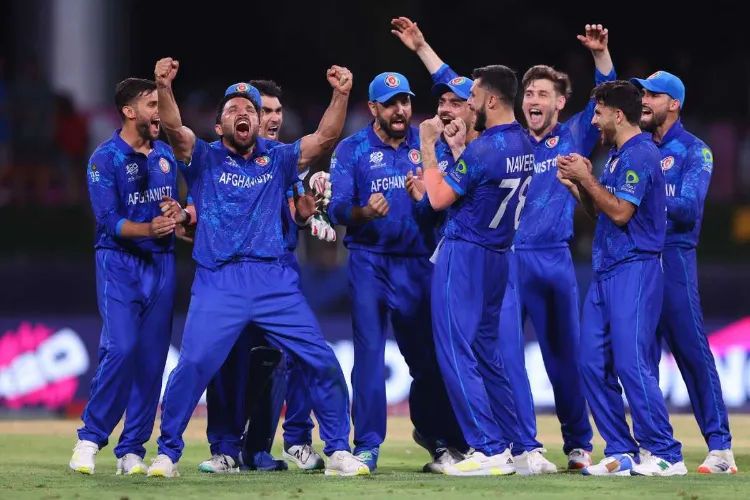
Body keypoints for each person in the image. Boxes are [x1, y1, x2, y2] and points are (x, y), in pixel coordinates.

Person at [146, 57, 368, 478]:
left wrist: (340, 94)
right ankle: (167, 453)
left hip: (274, 281)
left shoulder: (279, 158)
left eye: (250, 108)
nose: (243, 113)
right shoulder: (204, 159)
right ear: (219, 125)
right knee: (193, 366)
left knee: (320, 360)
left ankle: (338, 451)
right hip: (220, 280)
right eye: (232, 109)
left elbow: (325, 138)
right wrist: (163, 86)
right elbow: (174, 129)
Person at [327, 72, 465, 473]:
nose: (400, 109)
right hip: (369, 262)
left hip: (419, 263)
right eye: (390, 103)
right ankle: (368, 445)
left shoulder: (428, 146)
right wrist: (364, 212)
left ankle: (436, 437)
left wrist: (426, 198)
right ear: (373, 108)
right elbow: (336, 208)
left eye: (404, 101)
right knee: (368, 357)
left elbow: (448, 202)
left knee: (426, 360)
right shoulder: (351, 150)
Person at [495, 23, 615, 473]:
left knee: (565, 357)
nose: (533, 101)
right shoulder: (506, 140)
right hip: (507, 259)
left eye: (543, 94)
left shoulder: (574, 135)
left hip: (554, 257)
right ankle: (525, 446)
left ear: (561, 103)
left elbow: (607, 101)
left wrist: (601, 57)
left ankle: (578, 444)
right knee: (507, 355)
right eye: (529, 93)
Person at [195, 79, 328, 474]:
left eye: (275, 111)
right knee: (227, 359)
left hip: (280, 270)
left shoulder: (284, 160)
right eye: (262, 110)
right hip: (231, 273)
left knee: (288, 358)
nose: (270, 118)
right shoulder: (220, 160)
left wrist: (309, 213)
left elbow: (301, 208)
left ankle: (277, 444)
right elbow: (199, 208)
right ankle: (225, 447)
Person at [556, 80, 686, 476]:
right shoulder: (615, 156)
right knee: (591, 363)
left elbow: (621, 214)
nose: (593, 120)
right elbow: (603, 212)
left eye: (598, 112)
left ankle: (666, 453)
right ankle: (622, 451)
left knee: (631, 364)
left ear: (617, 114)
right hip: (606, 269)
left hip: (636, 268)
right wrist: (580, 187)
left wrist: (586, 177)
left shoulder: (641, 154)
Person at [420, 65, 534, 476]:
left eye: (472, 98)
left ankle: (487, 448)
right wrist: (459, 152)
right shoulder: (522, 142)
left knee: (455, 348)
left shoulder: (485, 149)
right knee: (487, 353)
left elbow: (436, 198)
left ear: (490, 100)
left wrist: (429, 145)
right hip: (498, 256)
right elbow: (481, 187)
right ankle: (517, 447)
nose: (467, 105)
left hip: (466, 254)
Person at [69, 78, 183, 476]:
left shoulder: (166, 155)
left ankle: (131, 449)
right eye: (153, 104)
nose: (160, 111)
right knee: (120, 348)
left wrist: (178, 215)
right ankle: (88, 440)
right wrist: (149, 229)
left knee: (152, 361)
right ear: (129, 111)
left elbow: (176, 211)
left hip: (162, 264)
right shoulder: (104, 159)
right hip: (119, 264)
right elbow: (108, 222)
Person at [631, 71, 736, 474]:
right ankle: (654, 448)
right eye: (642, 92)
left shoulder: (696, 151)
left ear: (673, 103)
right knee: (639, 357)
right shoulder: (637, 148)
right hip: (636, 259)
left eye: (653, 95)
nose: (644, 100)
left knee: (692, 353)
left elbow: (689, 208)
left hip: (673, 259)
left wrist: (641, 194)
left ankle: (721, 449)